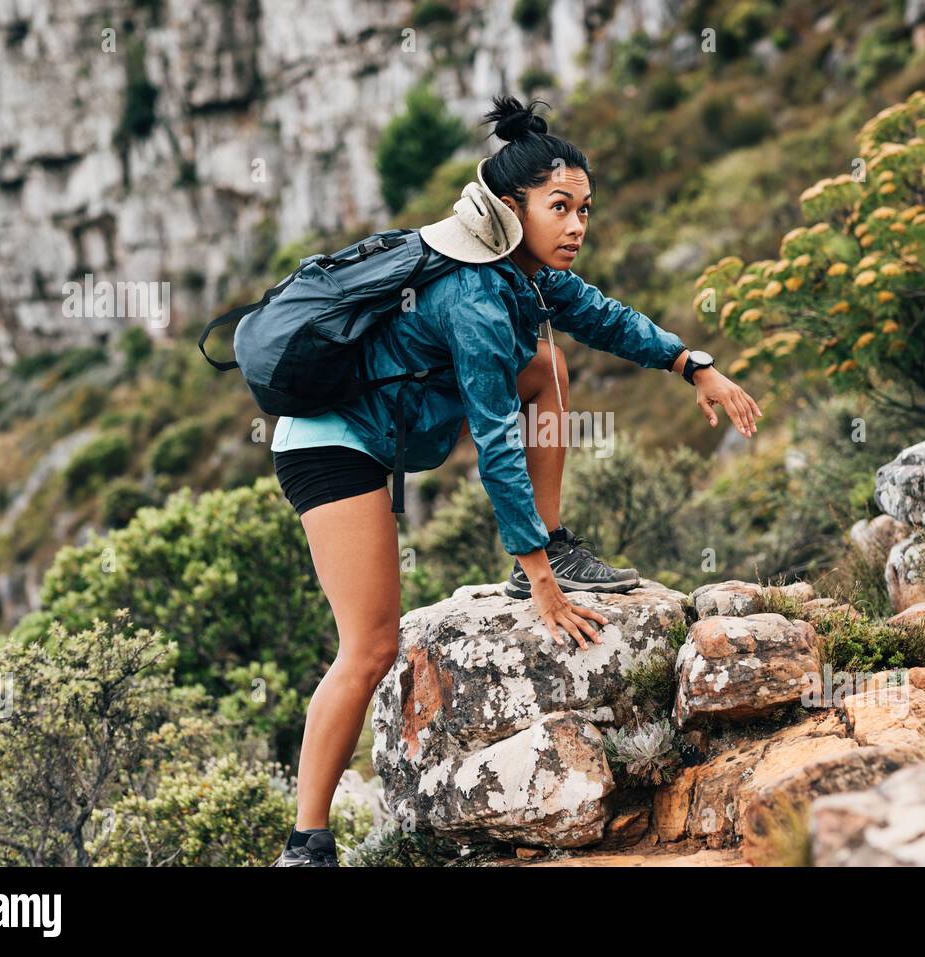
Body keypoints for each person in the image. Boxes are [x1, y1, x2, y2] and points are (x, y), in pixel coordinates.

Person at [271, 95, 762, 866]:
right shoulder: (471, 293)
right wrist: (537, 579)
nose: (576, 226)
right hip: (329, 441)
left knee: (549, 359)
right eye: (558, 207)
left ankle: (555, 537)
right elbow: (496, 441)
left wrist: (690, 364)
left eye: (585, 209)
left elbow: (600, 315)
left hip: (381, 428)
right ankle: (306, 842)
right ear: (510, 207)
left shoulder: (519, 271)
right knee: (368, 645)